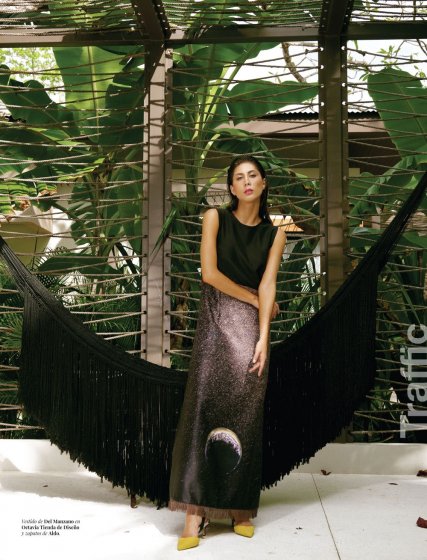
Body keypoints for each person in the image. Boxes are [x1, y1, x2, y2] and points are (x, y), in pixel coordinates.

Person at [168, 155, 286, 551]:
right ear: (232, 188)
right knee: (204, 407)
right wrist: (253, 299)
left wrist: (264, 338)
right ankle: (195, 511)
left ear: (263, 183)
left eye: (253, 175)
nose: (247, 182)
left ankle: (239, 508)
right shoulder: (214, 218)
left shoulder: (275, 234)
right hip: (217, 323)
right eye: (239, 177)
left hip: (252, 329)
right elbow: (210, 274)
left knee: (246, 416)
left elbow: (268, 285)